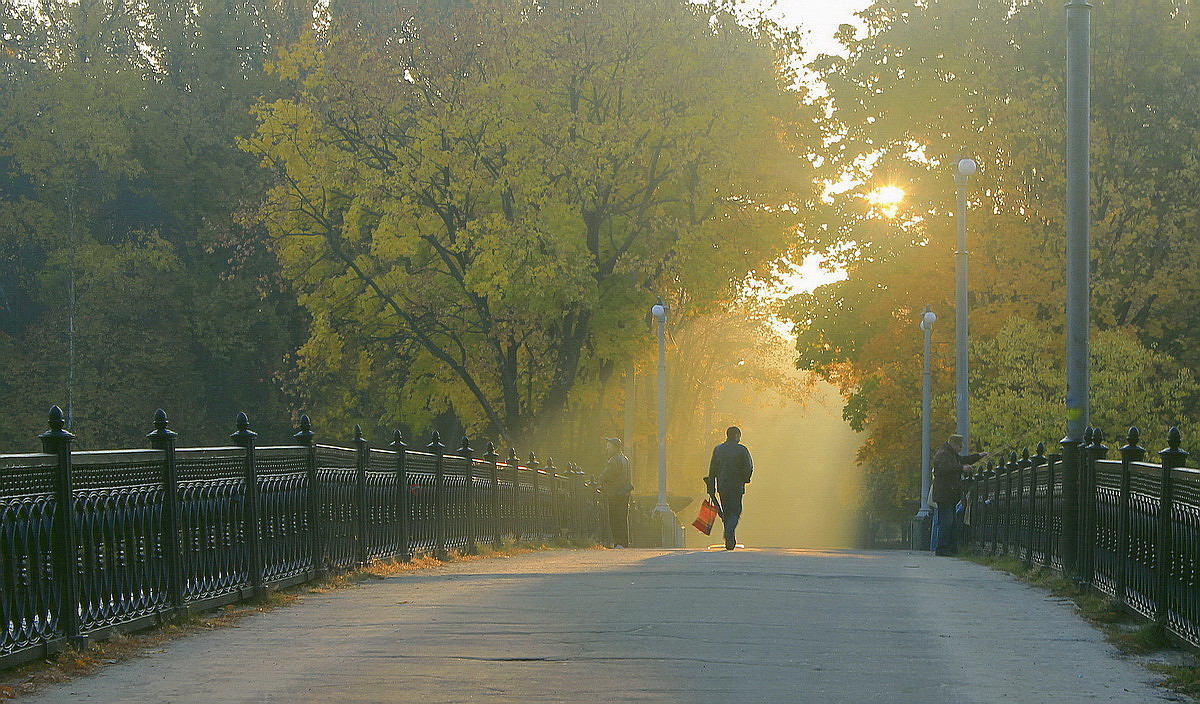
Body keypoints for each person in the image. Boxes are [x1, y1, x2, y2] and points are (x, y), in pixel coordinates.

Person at [931, 434, 987, 556]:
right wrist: (962, 468)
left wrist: (978, 456)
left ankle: (950, 548)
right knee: (946, 521)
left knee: (951, 522)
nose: (961, 448)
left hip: (948, 494)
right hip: (944, 494)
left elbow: (963, 460)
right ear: (954, 444)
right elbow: (945, 468)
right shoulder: (943, 454)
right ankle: (942, 548)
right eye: (959, 446)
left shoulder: (949, 454)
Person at [706, 426, 753, 550]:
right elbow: (748, 467)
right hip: (736, 485)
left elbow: (713, 469)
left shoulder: (718, 450)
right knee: (736, 511)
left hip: (722, 485)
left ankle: (730, 539)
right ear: (736, 435)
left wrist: (712, 484)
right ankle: (729, 531)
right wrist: (745, 479)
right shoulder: (742, 450)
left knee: (726, 511)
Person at [598, 437, 633, 548]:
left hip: (615, 493)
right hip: (624, 493)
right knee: (622, 518)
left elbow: (608, 474)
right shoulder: (625, 459)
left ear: (614, 447)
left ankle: (618, 542)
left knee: (615, 518)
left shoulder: (615, 460)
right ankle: (623, 542)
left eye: (609, 446)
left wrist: (600, 478)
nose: (607, 448)